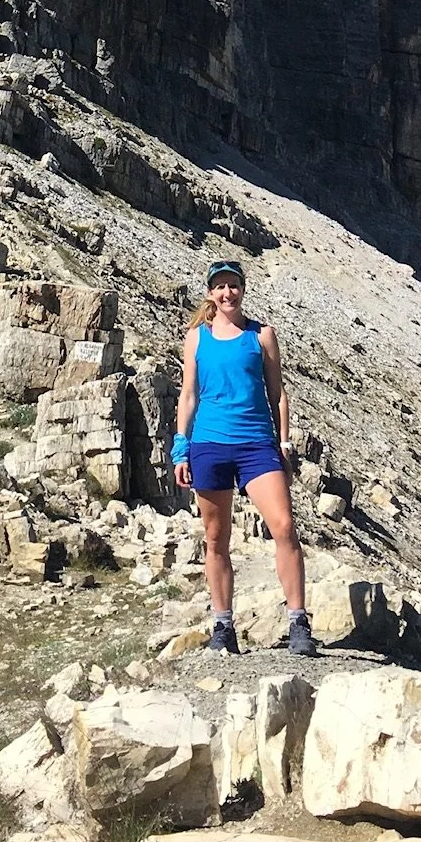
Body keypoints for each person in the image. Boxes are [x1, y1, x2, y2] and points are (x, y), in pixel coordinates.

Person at [172, 257, 316, 656]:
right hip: (210, 444)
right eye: (220, 286)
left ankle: (298, 621)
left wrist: (284, 443)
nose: (227, 293)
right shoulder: (196, 338)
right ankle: (222, 625)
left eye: (233, 285)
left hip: (257, 444)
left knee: (284, 526)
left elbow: (278, 394)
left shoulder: (261, 335)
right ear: (210, 293)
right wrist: (180, 446)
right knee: (216, 538)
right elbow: (188, 395)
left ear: (242, 289)